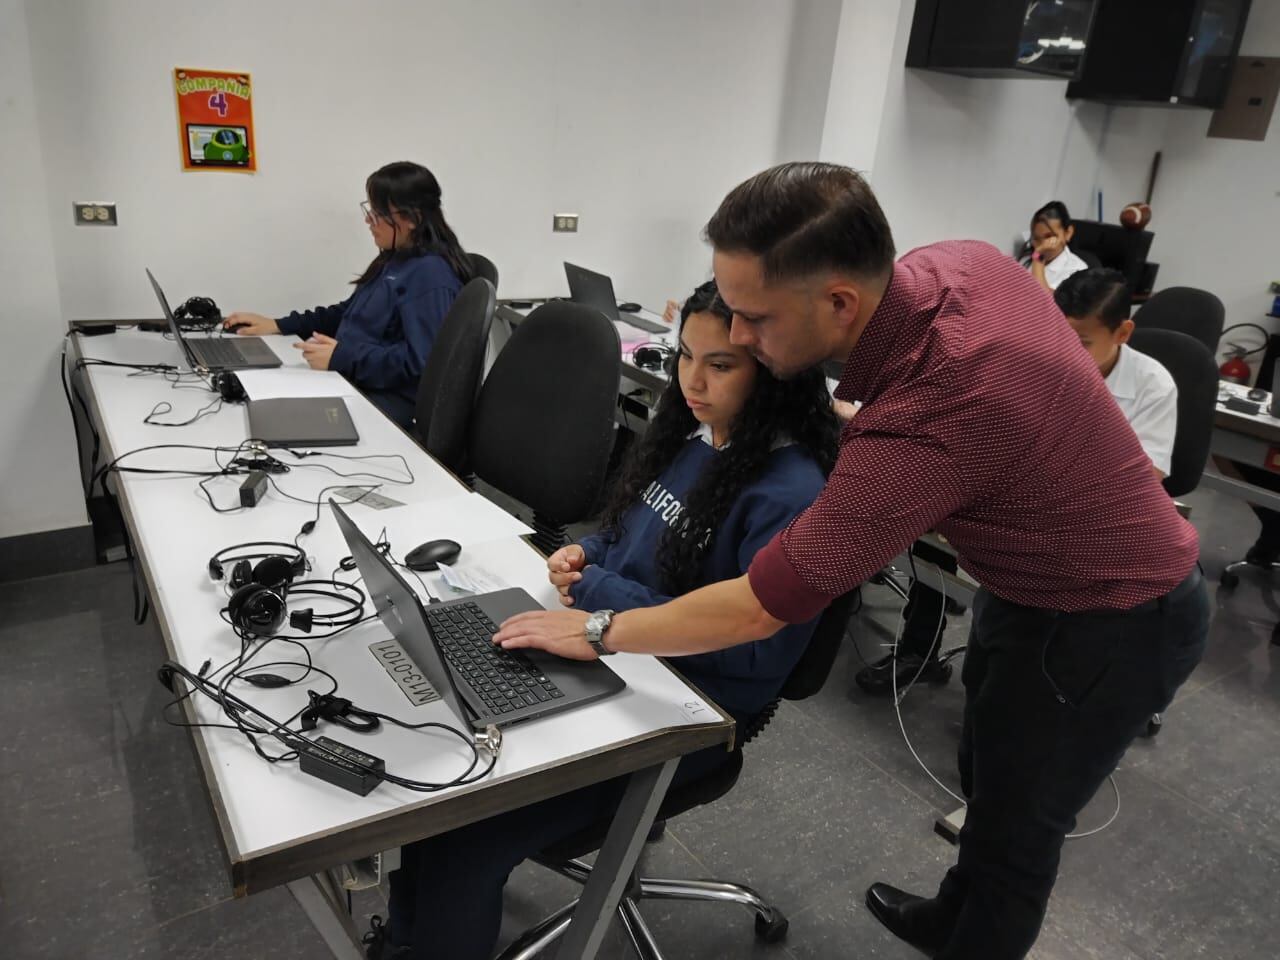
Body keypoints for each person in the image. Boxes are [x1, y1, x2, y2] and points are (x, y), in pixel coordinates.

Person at [494, 162, 1209, 960]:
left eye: (755, 319)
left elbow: (758, 606)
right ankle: (951, 915)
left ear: (839, 303)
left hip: (1116, 610)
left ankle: (975, 938)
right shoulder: (957, 265)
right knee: (988, 769)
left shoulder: (926, 421)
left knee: (1020, 829)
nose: (737, 338)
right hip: (1025, 578)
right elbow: (965, 403)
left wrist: (598, 628)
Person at [371, 280, 839, 960]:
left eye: (720, 365)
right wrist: (587, 552)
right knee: (434, 795)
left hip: (693, 708)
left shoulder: (792, 494)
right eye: (685, 357)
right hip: (616, 654)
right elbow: (630, 531)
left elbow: (755, 658)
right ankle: (406, 944)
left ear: (772, 372)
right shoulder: (698, 437)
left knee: (467, 833)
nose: (692, 382)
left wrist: (598, 587)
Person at [224, 161, 471, 428]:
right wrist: (278, 325)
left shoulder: (430, 275)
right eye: (370, 210)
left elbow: (421, 363)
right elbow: (347, 313)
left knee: (268, 419)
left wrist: (342, 358)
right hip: (352, 381)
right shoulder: (395, 260)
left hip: (384, 403)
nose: (368, 221)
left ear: (412, 218)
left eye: (378, 214)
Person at [1056, 268, 1178, 478]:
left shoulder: (1153, 384)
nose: (1065, 352)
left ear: (1122, 333)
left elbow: (1147, 476)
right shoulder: (1039, 360)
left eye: (1082, 343)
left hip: (1096, 491)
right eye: (1057, 336)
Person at [1025, 200, 1088, 293]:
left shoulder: (1078, 270)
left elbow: (1043, 298)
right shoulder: (1025, 257)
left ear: (1068, 233)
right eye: (1036, 238)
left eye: (1049, 237)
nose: (1042, 245)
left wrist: (1038, 258)